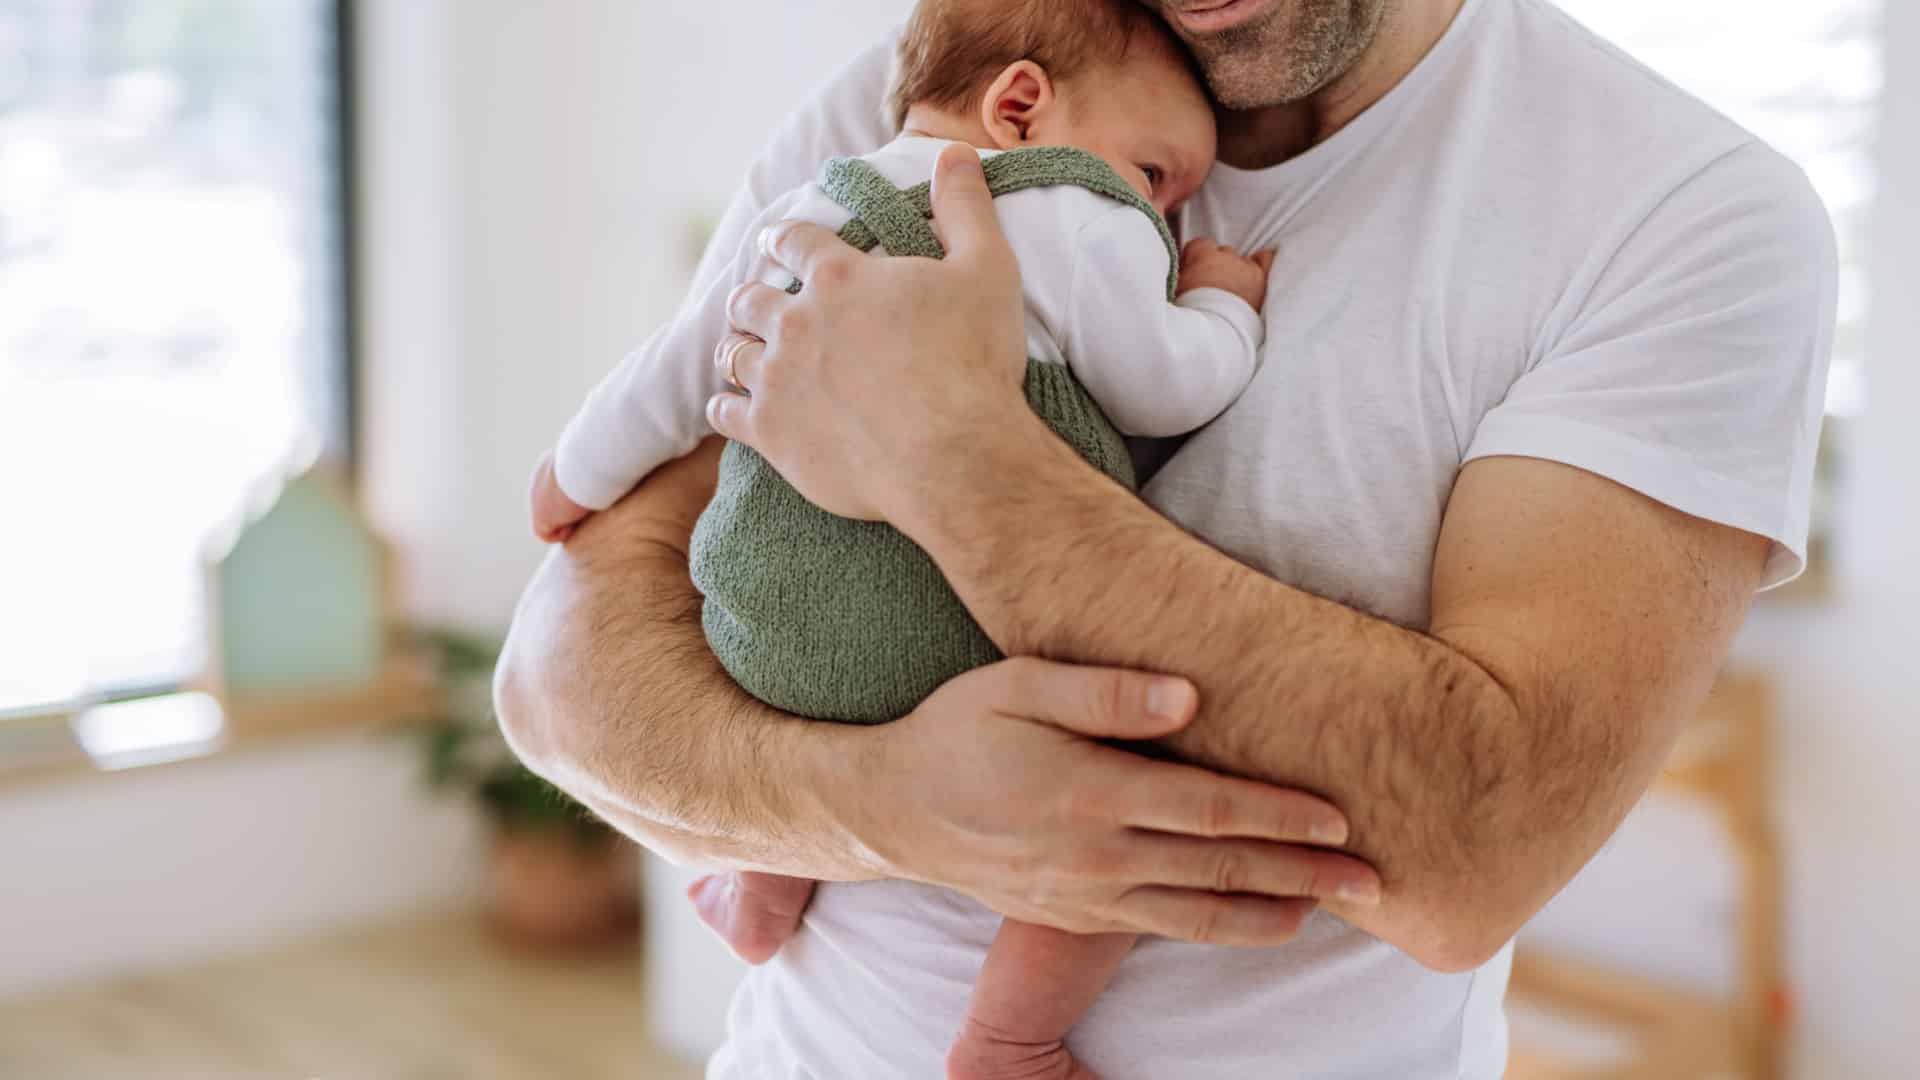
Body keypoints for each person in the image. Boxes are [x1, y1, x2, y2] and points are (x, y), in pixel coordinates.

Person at [496, 0, 1837, 1074]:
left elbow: (1478, 852)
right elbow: (556, 686)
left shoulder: (1677, 209)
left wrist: (956, 457)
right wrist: (884, 810)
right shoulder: (955, 76)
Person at [524, 4, 1294, 1076]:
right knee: (1124, 814)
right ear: (1021, 107)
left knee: (809, 713)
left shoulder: (813, 204)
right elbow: (1166, 384)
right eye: (1157, 172)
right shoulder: (1071, 210)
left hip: (763, 624)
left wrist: (571, 473)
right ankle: (1010, 1038)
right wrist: (1221, 305)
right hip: (955, 638)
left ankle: (759, 883)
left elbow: (676, 370)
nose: (1165, 213)